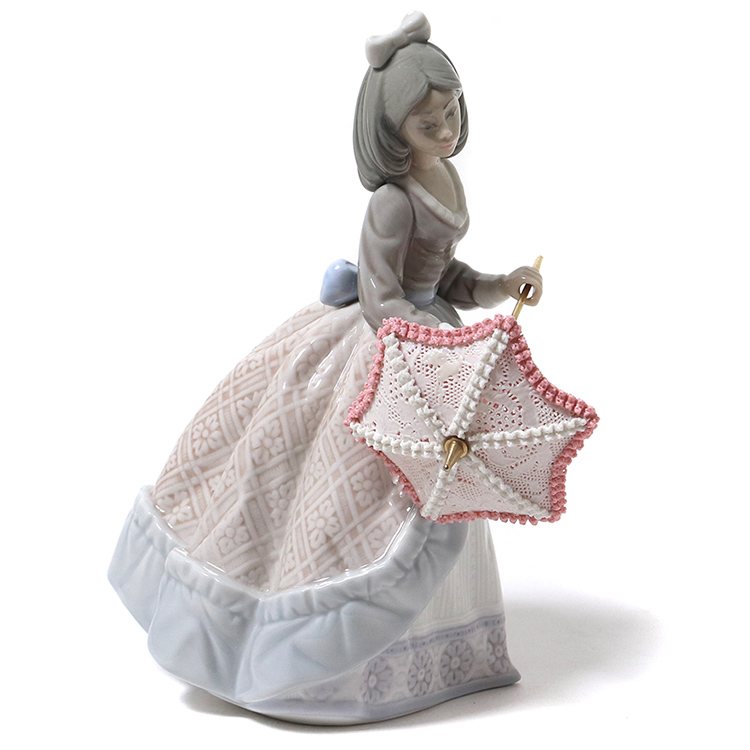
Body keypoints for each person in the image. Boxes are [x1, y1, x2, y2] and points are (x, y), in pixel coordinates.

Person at [109, 11, 542, 725]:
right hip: (390, 338)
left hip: (426, 331)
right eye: (428, 122)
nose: (445, 130)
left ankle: (450, 641)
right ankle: (318, 654)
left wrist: (500, 284)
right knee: (368, 484)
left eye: (452, 113)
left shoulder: (446, 180)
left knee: (444, 478)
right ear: (392, 129)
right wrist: (426, 348)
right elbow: (381, 292)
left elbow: (447, 274)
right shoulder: (392, 203)